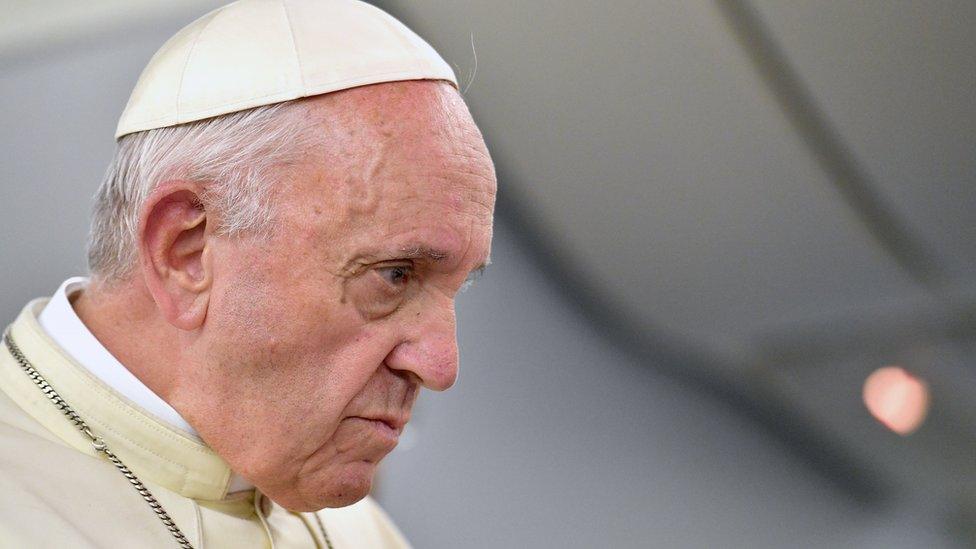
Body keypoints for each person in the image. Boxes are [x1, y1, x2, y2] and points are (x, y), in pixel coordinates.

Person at [0, 0, 496, 547]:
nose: (441, 367)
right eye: (395, 275)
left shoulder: (361, 532)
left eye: (458, 286)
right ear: (186, 252)